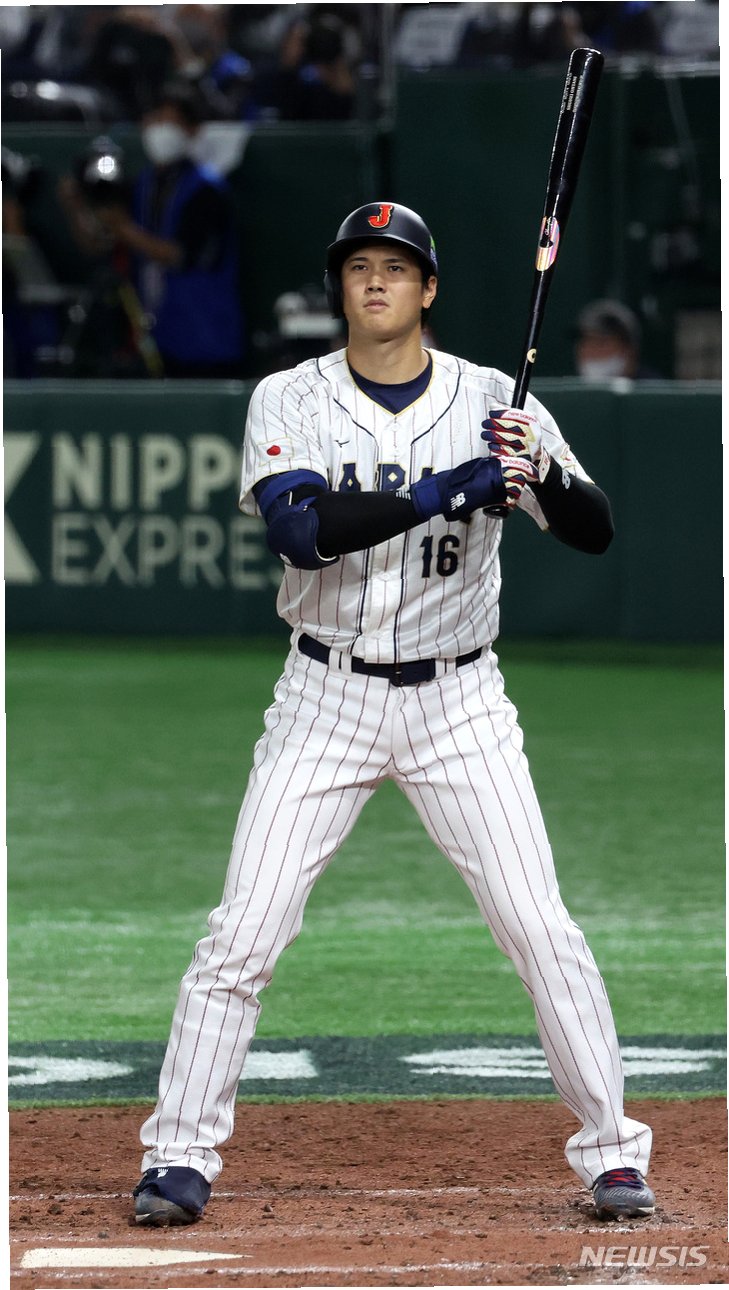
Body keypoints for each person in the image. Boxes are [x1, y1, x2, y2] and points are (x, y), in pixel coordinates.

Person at [132, 202, 655, 1228]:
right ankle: (178, 1156)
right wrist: (445, 489)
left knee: (540, 928)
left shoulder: (495, 401)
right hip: (324, 697)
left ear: (428, 289)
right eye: (358, 266)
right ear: (340, 287)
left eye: (396, 267)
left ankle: (612, 1154)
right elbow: (299, 531)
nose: (375, 281)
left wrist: (536, 470)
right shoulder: (291, 395)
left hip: (460, 702)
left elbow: (593, 531)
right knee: (242, 934)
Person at [94, 81, 245, 377]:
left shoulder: (207, 189)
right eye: (156, 120)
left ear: (193, 130)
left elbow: (180, 255)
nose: (160, 129)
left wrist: (123, 228)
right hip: (157, 335)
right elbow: (102, 241)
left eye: (171, 121)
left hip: (204, 338)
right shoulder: (144, 184)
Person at [574, 297, 657, 382]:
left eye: (601, 343)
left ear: (629, 351)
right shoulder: (572, 388)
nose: (592, 351)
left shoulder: (653, 387)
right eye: (586, 343)